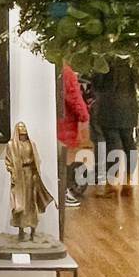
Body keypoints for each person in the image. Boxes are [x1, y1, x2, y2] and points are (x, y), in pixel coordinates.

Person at [91, 59, 139, 197]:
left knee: (113, 144)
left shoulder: (104, 59)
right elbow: (138, 82)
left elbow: (97, 84)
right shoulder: (131, 60)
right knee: (129, 142)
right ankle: (128, 181)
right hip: (129, 106)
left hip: (109, 107)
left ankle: (112, 184)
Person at [57, 64, 91, 208]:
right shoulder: (66, 71)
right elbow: (74, 96)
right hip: (66, 121)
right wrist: (84, 115)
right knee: (64, 159)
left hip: (53, 121)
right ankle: (63, 192)